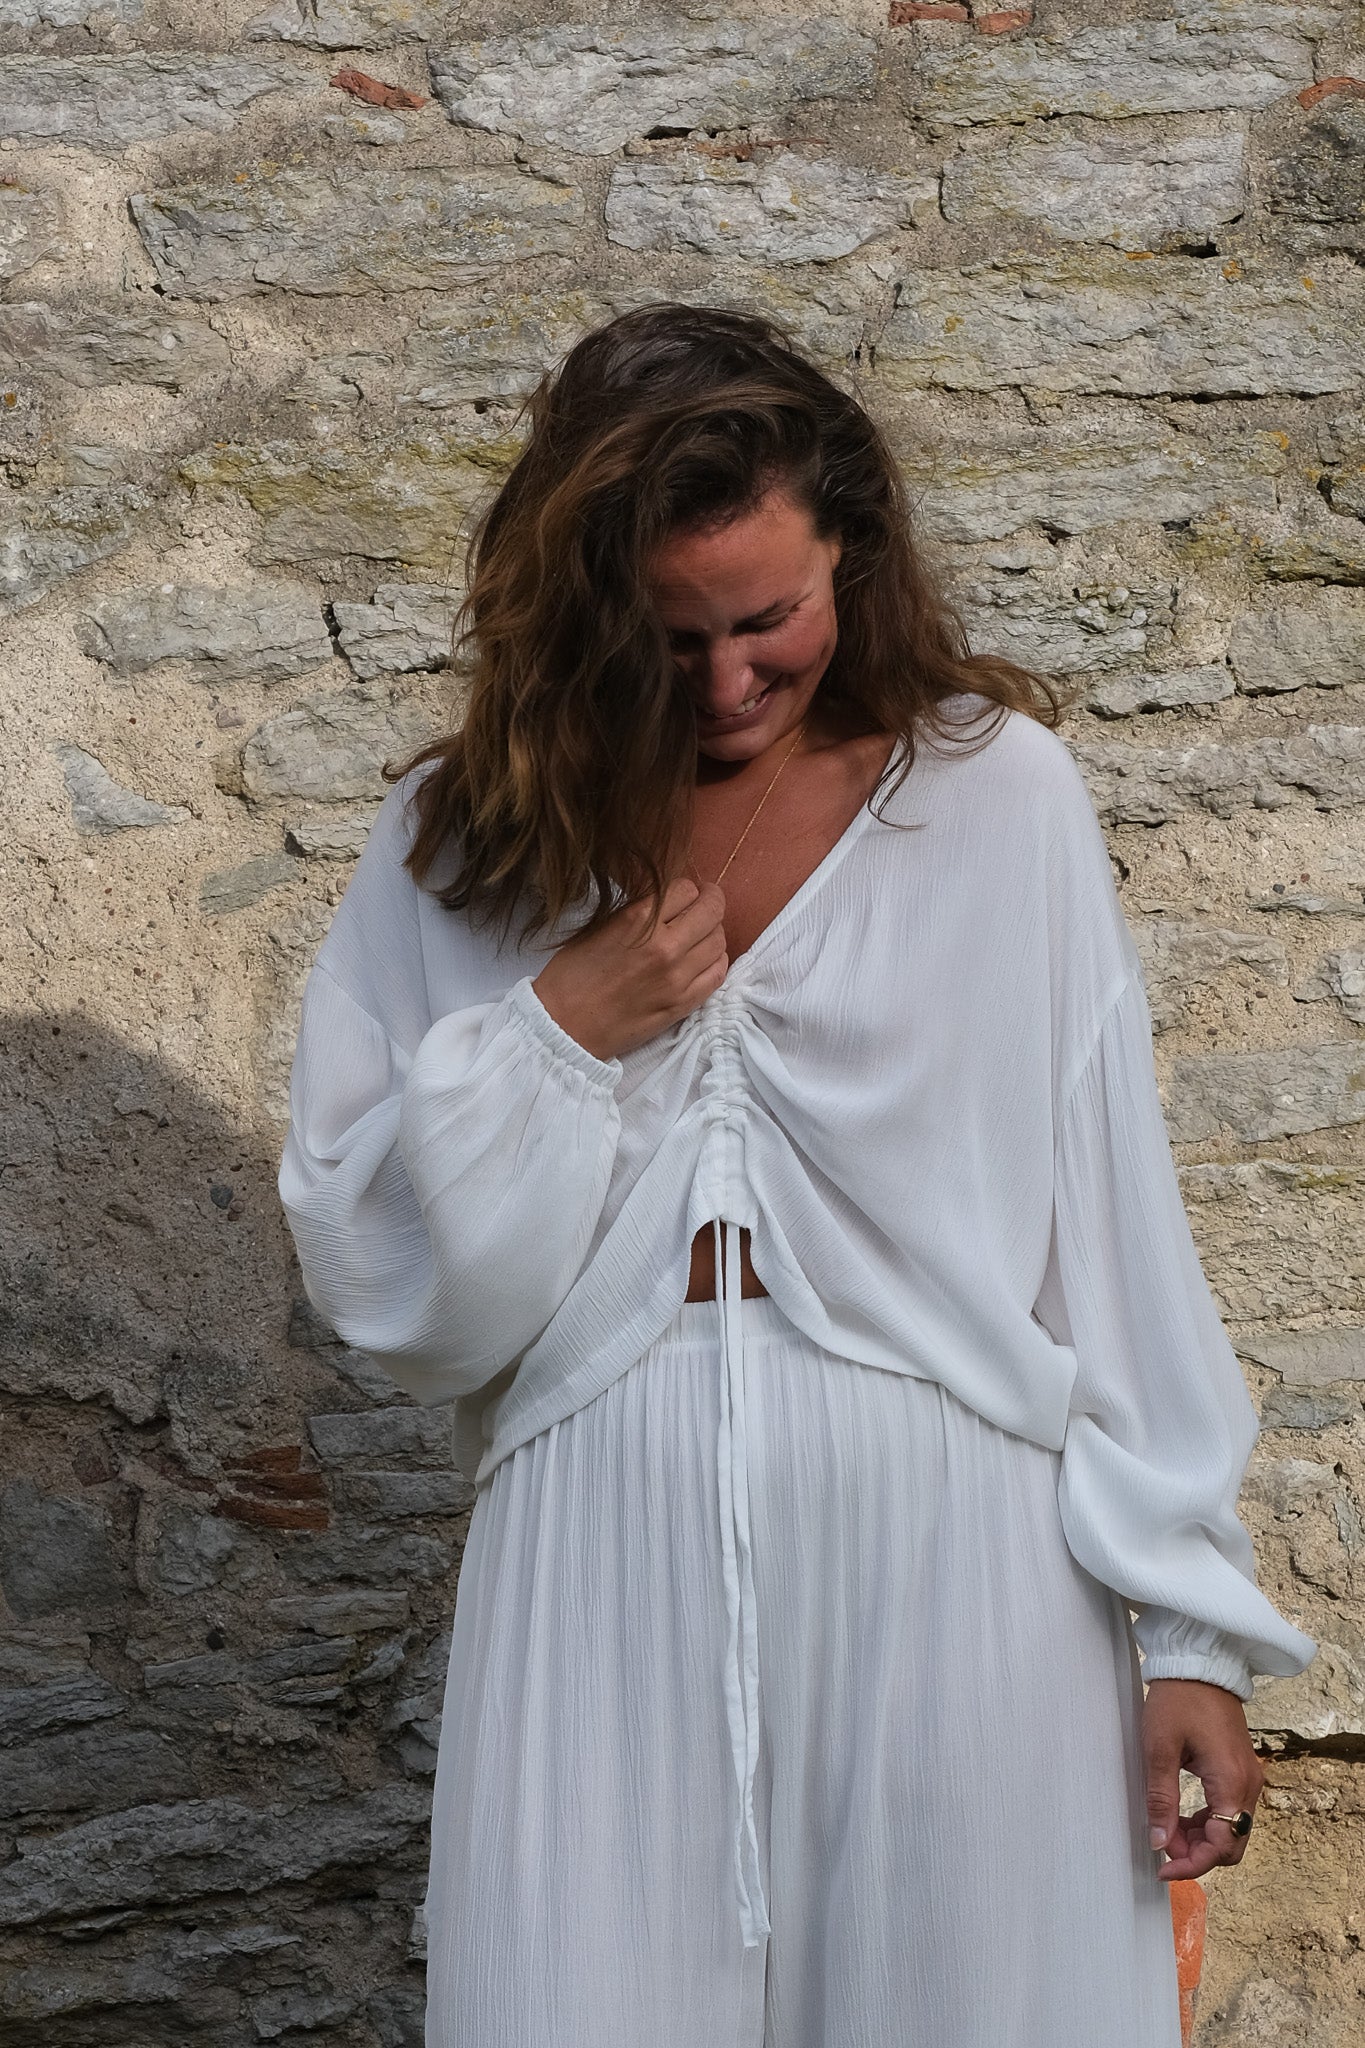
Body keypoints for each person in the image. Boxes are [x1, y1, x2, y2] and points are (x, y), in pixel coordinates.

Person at [278, 303, 1317, 2048]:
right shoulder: (460, 846)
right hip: (596, 1527)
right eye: (669, 637)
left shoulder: (996, 802)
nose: (726, 683)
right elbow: (377, 1270)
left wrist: (1184, 1636)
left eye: (768, 621)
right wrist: (558, 1030)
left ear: (854, 550)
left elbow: (1109, 1231)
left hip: (961, 1544)